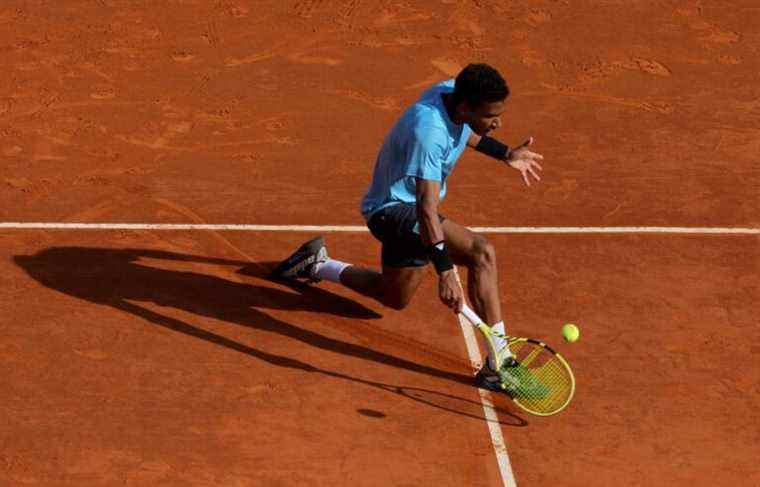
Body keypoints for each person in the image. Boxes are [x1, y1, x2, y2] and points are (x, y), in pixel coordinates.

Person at [271, 63, 544, 393]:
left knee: (394, 296)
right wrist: (445, 273)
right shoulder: (427, 132)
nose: (498, 123)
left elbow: (464, 133)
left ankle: (316, 262)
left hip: (407, 210)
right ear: (464, 107)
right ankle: (500, 363)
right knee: (481, 252)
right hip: (392, 212)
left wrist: (505, 152)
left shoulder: (452, 93)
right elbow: (426, 210)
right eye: (491, 116)